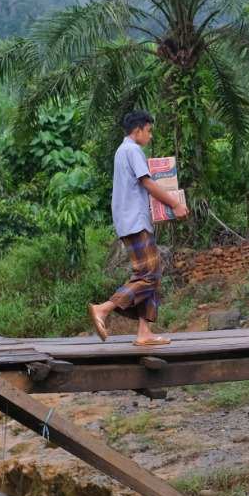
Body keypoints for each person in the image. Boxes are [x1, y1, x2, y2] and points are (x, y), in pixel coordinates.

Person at [88, 110, 189, 346]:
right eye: (149, 131)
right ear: (138, 130)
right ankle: (104, 309)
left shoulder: (122, 151)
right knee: (149, 274)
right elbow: (148, 183)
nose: (150, 136)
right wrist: (175, 204)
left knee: (150, 272)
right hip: (135, 221)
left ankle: (144, 332)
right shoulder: (133, 150)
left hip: (129, 221)